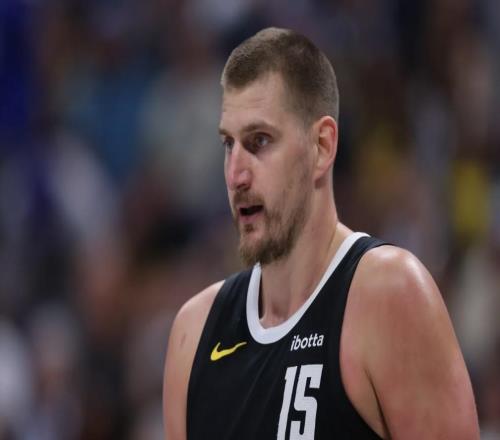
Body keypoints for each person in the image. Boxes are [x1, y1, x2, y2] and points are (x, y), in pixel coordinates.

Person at [163, 27, 479, 439]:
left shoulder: (390, 295)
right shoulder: (193, 334)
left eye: (259, 141)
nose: (236, 174)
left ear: (322, 146)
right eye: (228, 144)